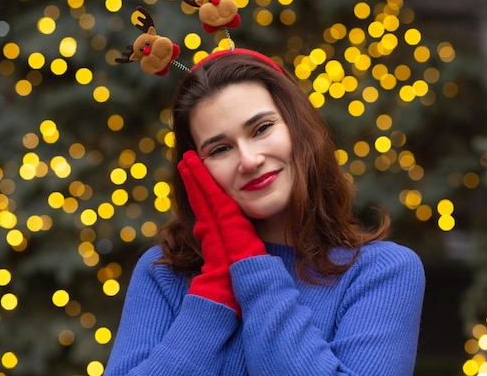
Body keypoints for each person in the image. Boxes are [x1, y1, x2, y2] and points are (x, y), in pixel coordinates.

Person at [104, 49, 426, 376]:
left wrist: (249, 263)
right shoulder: (164, 273)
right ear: (196, 171)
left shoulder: (382, 272)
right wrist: (213, 291)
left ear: (299, 127)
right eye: (220, 149)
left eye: (261, 129)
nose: (249, 160)